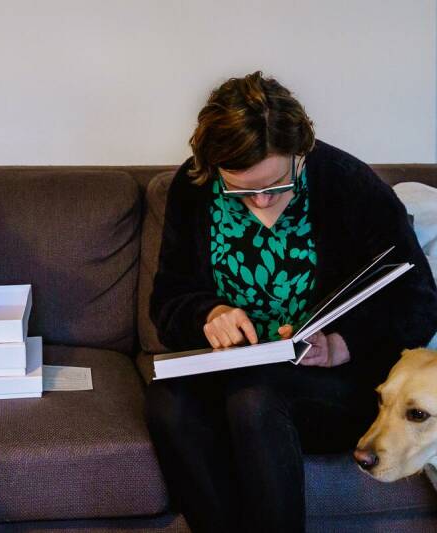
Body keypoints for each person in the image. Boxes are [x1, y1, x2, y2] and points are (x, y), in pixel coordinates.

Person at [147, 71, 437, 532]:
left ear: (299, 152)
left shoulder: (348, 184)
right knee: (168, 403)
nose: (261, 201)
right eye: (242, 189)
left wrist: (341, 344)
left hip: (330, 384)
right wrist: (209, 314)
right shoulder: (194, 185)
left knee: (255, 400)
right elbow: (168, 298)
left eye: (277, 183)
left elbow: (418, 300)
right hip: (231, 370)